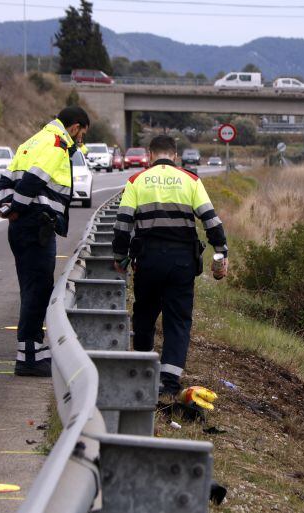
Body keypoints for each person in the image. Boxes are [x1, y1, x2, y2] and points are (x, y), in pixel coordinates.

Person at [112, 135, 228, 396]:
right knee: (178, 321)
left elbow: (122, 225)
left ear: (150, 155)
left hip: (148, 261)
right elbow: (211, 221)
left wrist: (120, 256)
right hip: (181, 262)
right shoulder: (191, 180)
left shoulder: (136, 181)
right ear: (174, 156)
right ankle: (169, 383)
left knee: (144, 316)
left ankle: (142, 375)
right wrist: (221, 252)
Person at [0, 106, 90, 377]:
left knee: (31, 288)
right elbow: (32, 181)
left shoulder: (32, 141)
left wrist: (8, 207)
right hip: (37, 224)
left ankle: (33, 351)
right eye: (81, 134)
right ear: (74, 127)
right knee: (38, 289)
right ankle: (28, 357)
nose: (79, 140)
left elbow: (3, 181)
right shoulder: (56, 144)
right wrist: (17, 207)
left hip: (22, 226)